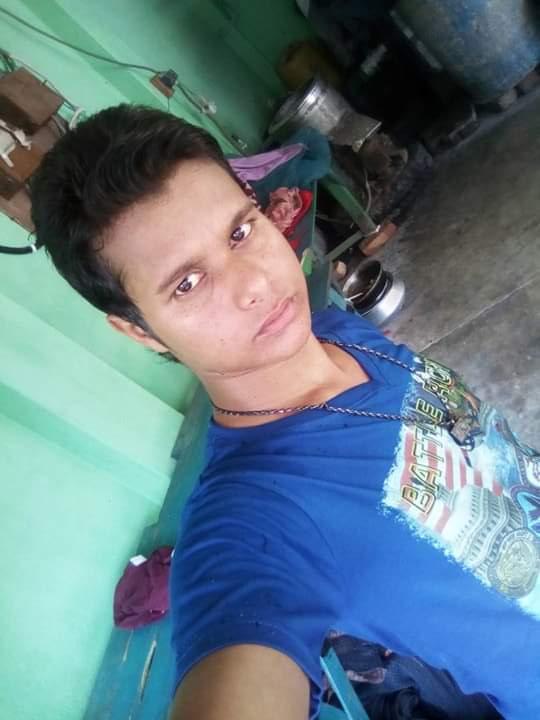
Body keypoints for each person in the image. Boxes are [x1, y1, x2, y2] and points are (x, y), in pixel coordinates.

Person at [31, 105, 539, 720]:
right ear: (140, 331)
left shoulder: (334, 331)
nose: (255, 285)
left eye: (239, 233)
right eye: (187, 284)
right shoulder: (252, 525)